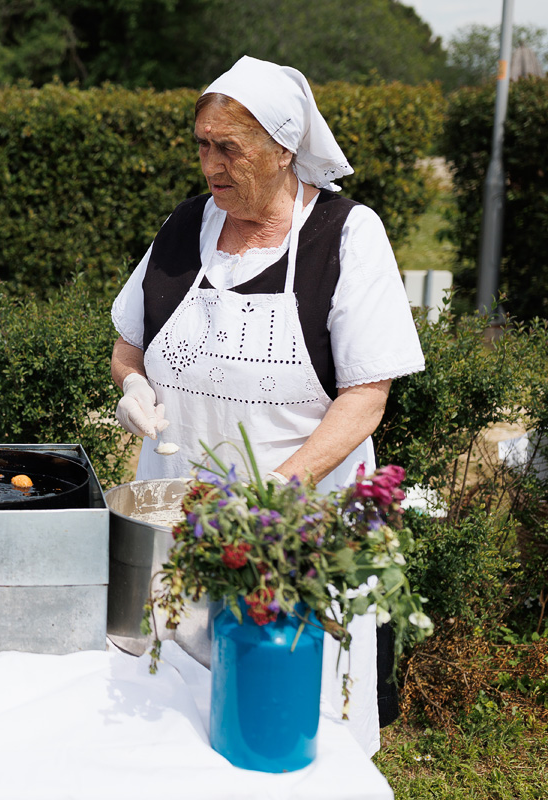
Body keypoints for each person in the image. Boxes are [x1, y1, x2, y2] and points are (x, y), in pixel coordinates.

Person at [109, 56, 425, 755]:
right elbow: (128, 344)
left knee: (281, 716)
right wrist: (132, 387)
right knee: (167, 720)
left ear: (284, 149)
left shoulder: (347, 236)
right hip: (179, 524)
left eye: (230, 148)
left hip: (290, 536)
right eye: (201, 145)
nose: (210, 166)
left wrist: (275, 497)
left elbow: (366, 397)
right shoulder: (185, 226)